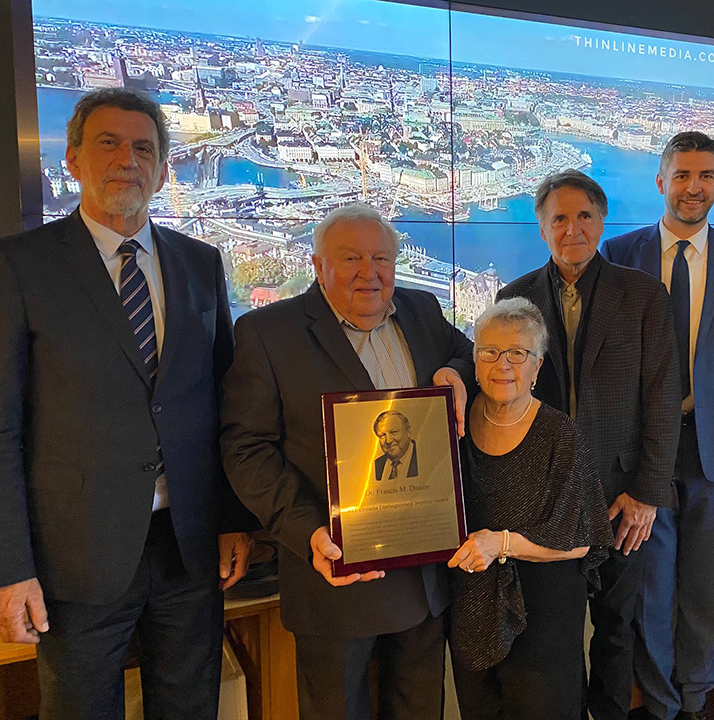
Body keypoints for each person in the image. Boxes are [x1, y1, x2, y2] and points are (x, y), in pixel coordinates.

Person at [0, 88, 255, 718]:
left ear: (163, 168)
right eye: (108, 143)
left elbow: (223, 406)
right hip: (76, 556)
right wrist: (5, 571)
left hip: (188, 546)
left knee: (190, 705)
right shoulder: (18, 267)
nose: (128, 159)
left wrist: (233, 519)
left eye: (144, 147)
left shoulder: (200, 263)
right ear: (72, 159)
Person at [219, 203, 473, 719]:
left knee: (421, 709)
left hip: (423, 574)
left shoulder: (422, 310)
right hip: (331, 571)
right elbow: (246, 448)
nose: (369, 272)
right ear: (317, 266)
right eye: (350, 258)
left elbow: (467, 352)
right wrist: (308, 531)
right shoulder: (268, 333)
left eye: (381, 258)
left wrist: (456, 372)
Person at [497, 170, 681, 720]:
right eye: (559, 218)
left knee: (617, 623)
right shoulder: (515, 297)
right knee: (553, 628)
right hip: (544, 498)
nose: (572, 228)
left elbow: (664, 397)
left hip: (622, 493)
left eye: (583, 216)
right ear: (542, 227)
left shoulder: (643, 294)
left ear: (601, 222)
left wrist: (647, 494)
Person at [602, 131, 714, 720]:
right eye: (682, 175)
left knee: (704, 584)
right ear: (661, 182)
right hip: (643, 450)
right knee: (650, 582)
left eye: (705, 176)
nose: (693, 188)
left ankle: (695, 693)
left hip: (713, 446)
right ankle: (660, 700)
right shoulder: (620, 255)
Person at [446, 297, 612, 720]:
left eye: (518, 353)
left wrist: (500, 543)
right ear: (475, 359)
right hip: (472, 604)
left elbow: (581, 541)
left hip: (545, 612)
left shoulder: (562, 434)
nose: (503, 364)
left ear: (537, 366)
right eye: (490, 352)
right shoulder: (452, 425)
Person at [373, 410, 418, 481]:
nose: (388, 441)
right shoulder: (377, 465)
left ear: (408, 431)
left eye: (393, 432)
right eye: (382, 435)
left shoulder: (423, 457)